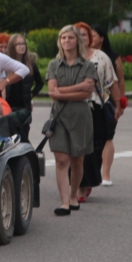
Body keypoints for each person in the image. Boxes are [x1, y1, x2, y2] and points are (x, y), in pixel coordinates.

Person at [46, 25, 98, 216]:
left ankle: (74, 195)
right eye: (63, 38)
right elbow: (52, 94)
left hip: (81, 117)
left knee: (77, 160)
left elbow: (86, 93)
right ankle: (64, 201)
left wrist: (63, 91)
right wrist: (77, 87)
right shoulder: (54, 64)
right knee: (62, 160)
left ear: (78, 40)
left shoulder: (88, 65)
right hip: (59, 116)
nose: (66, 41)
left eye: (70, 38)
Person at [76, 22, 117, 200]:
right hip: (74, 107)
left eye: (85, 35)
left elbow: (111, 82)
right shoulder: (67, 56)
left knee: (94, 149)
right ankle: (79, 186)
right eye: (77, 34)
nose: (81, 38)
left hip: (95, 107)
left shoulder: (101, 57)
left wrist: (118, 105)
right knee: (76, 148)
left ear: (90, 37)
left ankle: (87, 181)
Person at [91, 24, 124, 186]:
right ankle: (92, 173)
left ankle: (106, 174)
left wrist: (120, 103)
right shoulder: (83, 55)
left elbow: (120, 81)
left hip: (108, 102)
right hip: (91, 102)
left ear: (102, 38)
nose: (90, 38)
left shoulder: (112, 57)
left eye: (93, 35)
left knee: (108, 136)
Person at [5, 33, 43, 142]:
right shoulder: (6, 63)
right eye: (18, 44)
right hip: (9, 105)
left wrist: (31, 94)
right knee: (10, 136)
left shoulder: (30, 63)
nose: (22, 46)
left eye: (23, 44)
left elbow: (39, 83)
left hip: (24, 106)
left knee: (23, 136)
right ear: (12, 46)